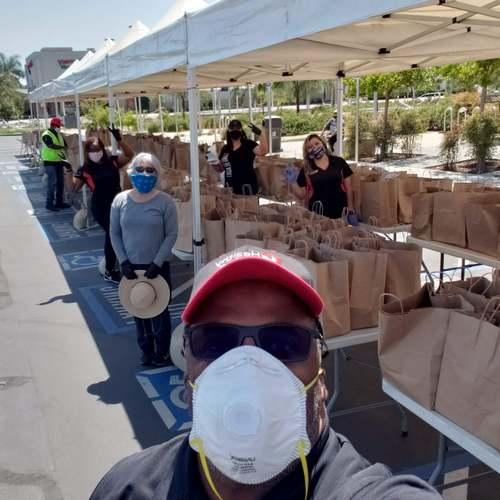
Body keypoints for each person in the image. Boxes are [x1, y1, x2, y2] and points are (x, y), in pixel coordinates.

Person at [90, 246, 442, 500]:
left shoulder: (361, 492)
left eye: (284, 342)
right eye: (215, 341)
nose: (248, 366)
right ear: (187, 365)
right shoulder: (126, 488)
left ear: (321, 374)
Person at [110, 152, 178, 367]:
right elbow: (114, 233)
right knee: (138, 309)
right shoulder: (120, 201)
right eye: (140, 169)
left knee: (160, 311)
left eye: (150, 170)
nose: (145, 174)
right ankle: (146, 351)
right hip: (131, 267)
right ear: (132, 172)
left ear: (157, 174)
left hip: (157, 267)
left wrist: (157, 262)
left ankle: (162, 351)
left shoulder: (165, 202)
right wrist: (123, 261)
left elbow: (171, 234)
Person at [73, 126, 134, 284]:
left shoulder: (112, 162)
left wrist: (119, 139)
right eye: (92, 149)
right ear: (87, 152)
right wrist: (69, 173)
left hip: (118, 204)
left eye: (98, 148)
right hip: (100, 206)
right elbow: (73, 188)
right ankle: (109, 270)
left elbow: (129, 155)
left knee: (119, 234)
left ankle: (118, 264)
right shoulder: (85, 169)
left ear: (102, 148)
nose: (96, 152)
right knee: (112, 234)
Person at [292, 133, 355, 220]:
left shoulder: (339, 162)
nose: (314, 147)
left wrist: (351, 210)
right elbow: (301, 195)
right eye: (310, 147)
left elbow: (349, 188)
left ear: (323, 144)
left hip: (340, 212)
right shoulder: (307, 169)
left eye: (317, 143)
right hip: (317, 214)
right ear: (307, 152)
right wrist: (291, 182)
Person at [219, 119, 268, 195]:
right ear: (229, 131)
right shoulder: (225, 149)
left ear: (241, 130)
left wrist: (261, 134)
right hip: (230, 191)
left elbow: (263, 151)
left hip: (247, 189)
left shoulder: (248, 145)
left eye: (237, 128)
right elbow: (220, 167)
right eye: (233, 129)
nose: (235, 131)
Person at [41, 117, 71, 211]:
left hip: (59, 161)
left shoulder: (59, 135)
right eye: (58, 126)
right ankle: (49, 204)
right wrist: (61, 147)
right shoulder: (46, 134)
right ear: (54, 125)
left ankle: (59, 202)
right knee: (52, 182)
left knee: (60, 183)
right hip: (49, 162)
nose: (60, 128)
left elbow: (65, 145)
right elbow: (50, 145)